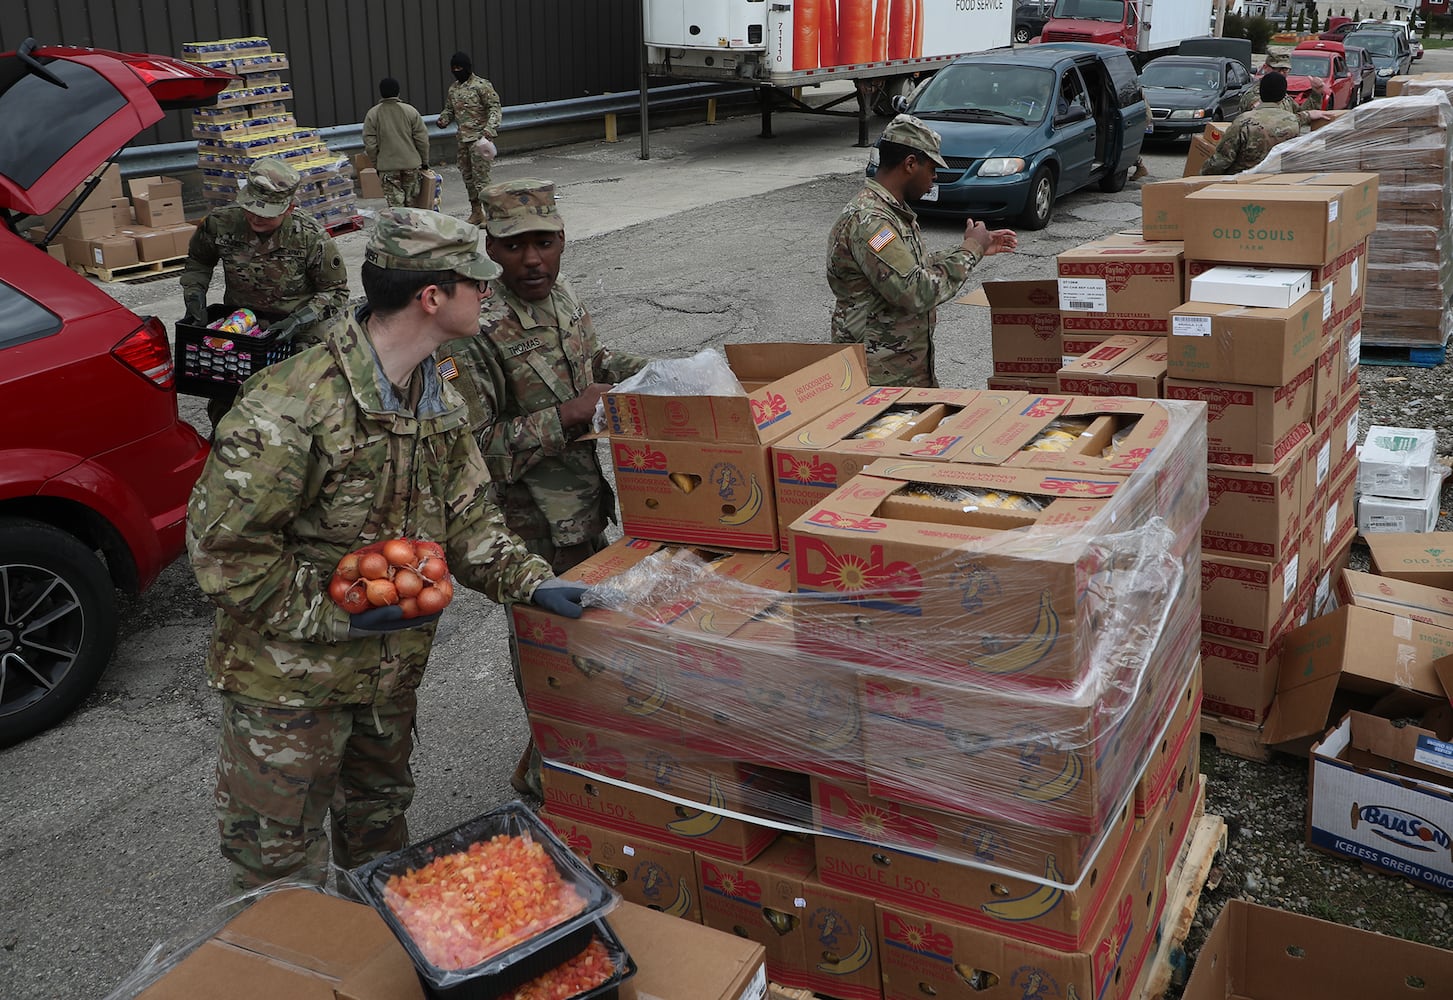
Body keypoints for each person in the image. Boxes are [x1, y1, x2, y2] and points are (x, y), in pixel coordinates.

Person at [186, 207, 589, 891]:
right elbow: (226, 555)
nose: (489, 294)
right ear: (432, 297)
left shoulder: (436, 396)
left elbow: (468, 517)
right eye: (477, 284)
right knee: (278, 880)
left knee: (377, 843)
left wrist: (531, 580)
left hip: (387, 682)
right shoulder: (291, 407)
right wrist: (339, 615)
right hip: (289, 692)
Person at [440, 178, 648, 798]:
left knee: (589, 655)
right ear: (489, 251)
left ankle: (571, 768)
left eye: (544, 241)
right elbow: (469, 453)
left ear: (563, 239)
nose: (532, 259)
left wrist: (651, 374)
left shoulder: (564, 301)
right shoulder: (475, 331)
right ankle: (548, 789)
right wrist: (569, 415)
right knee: (549, 662)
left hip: (584, 514)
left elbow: (591, 364)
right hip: (528, 532)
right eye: (513, 246)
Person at [827, 114, 1018, 387]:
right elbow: (915, 291)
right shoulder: (871, 222)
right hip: (876, 381)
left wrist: (967, 249)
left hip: (897, 374)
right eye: (931, 168)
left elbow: (911, 266)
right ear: (910, 164)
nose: (935, 177)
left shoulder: (890, 213)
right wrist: (971, 249)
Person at [179, 157, 350, 429]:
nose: (256, 217)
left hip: (296, 325)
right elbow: (199, 260)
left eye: (267, 212)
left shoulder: (309, 237)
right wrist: (194, 293)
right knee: (229, 393)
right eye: (251, 208)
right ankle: (229, 445)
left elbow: (335, 291)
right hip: (242, 324)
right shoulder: (221, 223)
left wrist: (299, 320)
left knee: (298, 400)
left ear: (289, 208)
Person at [437, 51, 502, 226]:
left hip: (480, 140)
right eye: (454, 68)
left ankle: (491, 215)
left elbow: (494, 109)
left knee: (482, 179)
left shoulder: (482, 85)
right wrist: (443, 119)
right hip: (463, 140)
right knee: (468, 178)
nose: (457, 71)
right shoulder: (454, 89)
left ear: (467, 68)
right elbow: (450, 110)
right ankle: (476, 212)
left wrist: (489, 129)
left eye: (460, 68)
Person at [1201, 73, 1302, 175]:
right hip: (1275, 179)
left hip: (1241, 180)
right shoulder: (1293, 121)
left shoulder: (1244, 121)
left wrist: (1202, 175)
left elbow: (1222, 160)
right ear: (1283, 97)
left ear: (1260, 93)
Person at [363, 77, 431, 208]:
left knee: (396, 209)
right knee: (412, 207)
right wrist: (424, 162)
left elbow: (370, 144)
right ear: (398, 92)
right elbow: (422, 140)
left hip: (387, 168)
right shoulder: (410, 111)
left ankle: (400, 228)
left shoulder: (373, 114)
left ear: (381, 92)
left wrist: (377, 164)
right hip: (411, 165)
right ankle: (413, 228)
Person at [1238, 53, 1325, 118]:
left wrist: (1315, 93)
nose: (1281, 73)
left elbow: (1300, 112)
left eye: (1285, 70)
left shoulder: (1283, 94)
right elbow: (1272, 121)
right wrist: (1306, 116)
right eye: (1277, 69)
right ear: (1265, 67)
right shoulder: (1255, 95)